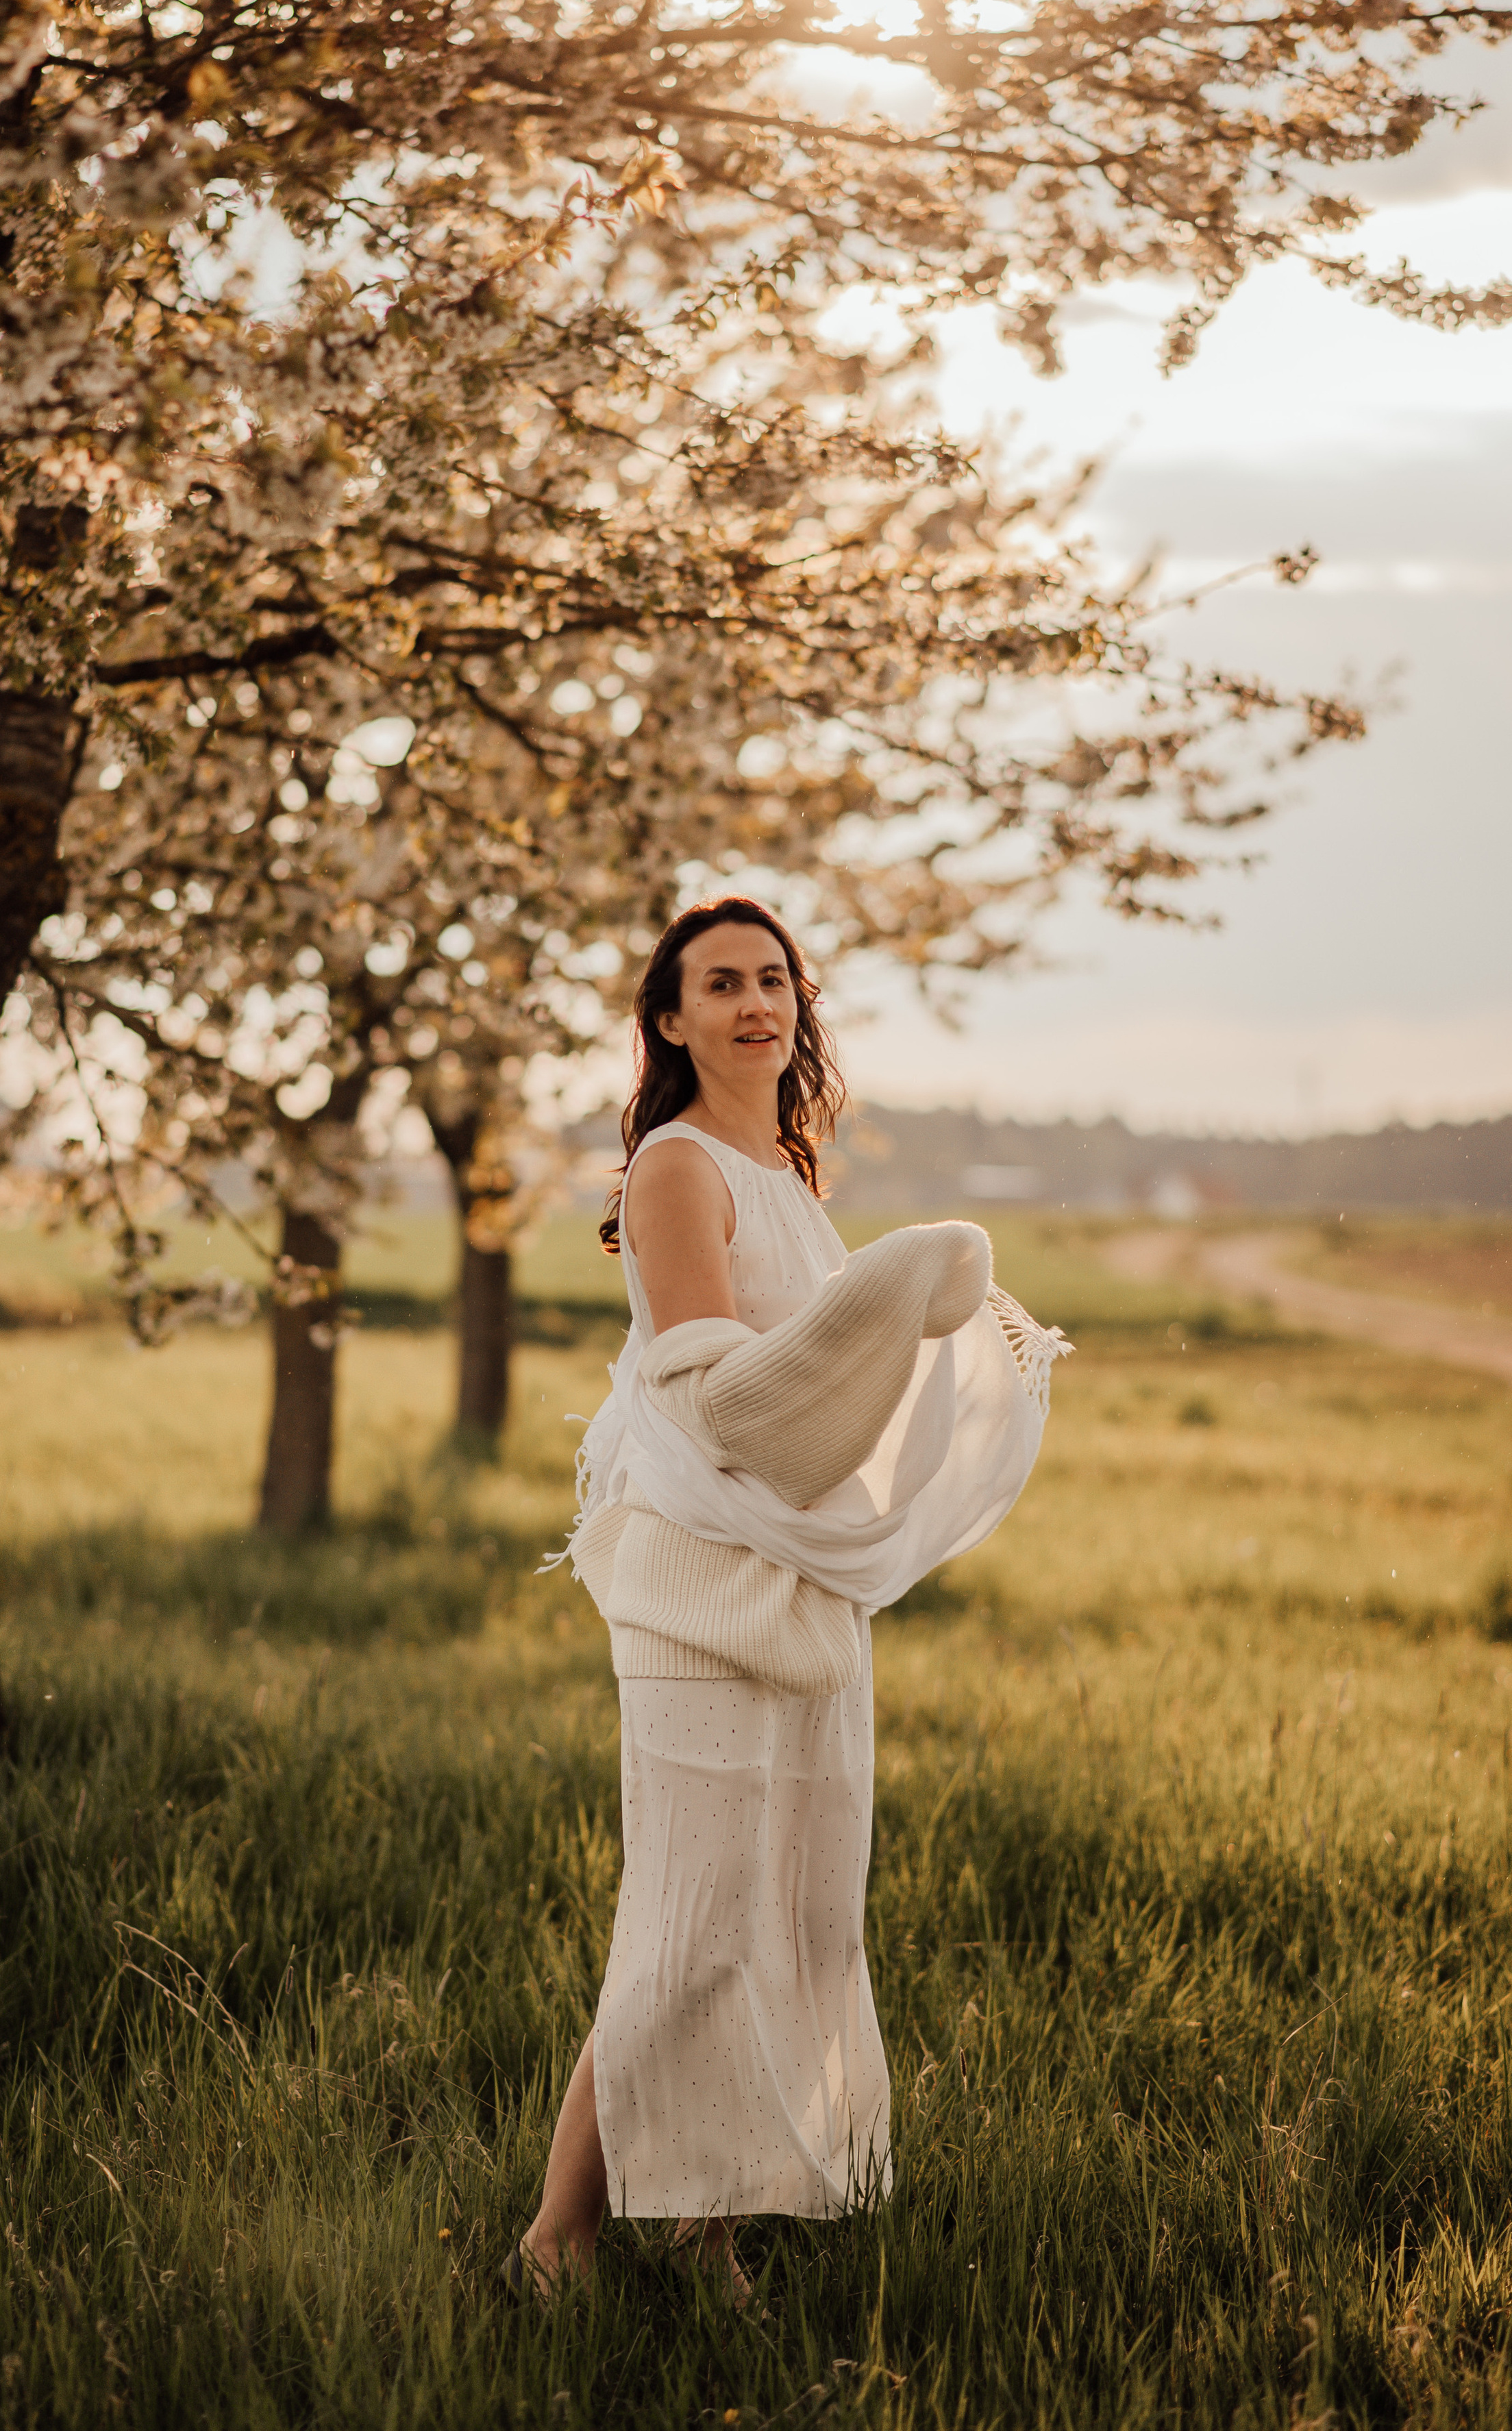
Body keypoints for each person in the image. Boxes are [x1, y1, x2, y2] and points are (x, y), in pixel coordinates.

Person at [506, 896, 1067, 2304]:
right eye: (720, 983)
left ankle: (705, 2232)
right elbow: (730, 1406)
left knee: (766, 1919)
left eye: (774, 979)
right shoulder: (676, 1172)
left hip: (800, 1592)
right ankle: (552, 2244)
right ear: (670, 1018)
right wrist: (902, 1290)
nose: (755, 1003)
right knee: (690, 1921)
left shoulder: (786, 1171)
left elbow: (832, 1384)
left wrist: (940, 1320)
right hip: (698, 1593)